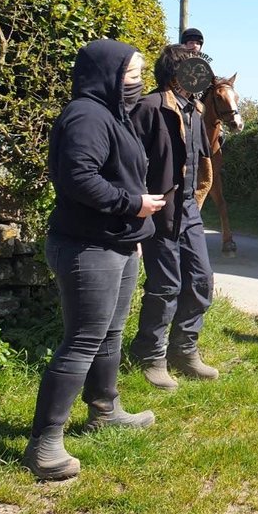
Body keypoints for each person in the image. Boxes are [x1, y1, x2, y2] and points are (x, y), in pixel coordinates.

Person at [24, 39, 166, 481]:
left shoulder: (113, 114)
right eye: (130, 74)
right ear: (106, 74)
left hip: (117, 243)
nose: (137, 82)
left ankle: (105, 409)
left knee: (111, 333)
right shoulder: (86, 115)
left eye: (140, 73)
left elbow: (117, 172)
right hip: (87, 246)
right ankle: (44, 444)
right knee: (83, 339)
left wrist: (134, 232)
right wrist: (133, 206)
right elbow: (77, 179)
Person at [129, 45, 219, 389]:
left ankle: (184, 350)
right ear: (177, 74)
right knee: (165, 285)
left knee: (201, 280)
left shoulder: (195, 110)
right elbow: (131, 164)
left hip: (189, 210)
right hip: (158, 213)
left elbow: (199, 165)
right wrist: (137, 214)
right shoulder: (149, 108)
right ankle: (150, 354)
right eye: (193, 69)